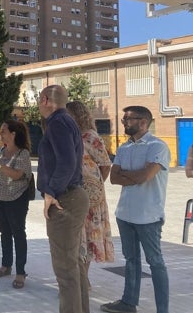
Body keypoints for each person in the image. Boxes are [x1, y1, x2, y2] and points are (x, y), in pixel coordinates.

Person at [101, 106, 170, 313]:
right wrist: (136, 176)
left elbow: (145, 177)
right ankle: (128, 303)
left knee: (155, 262)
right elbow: (113, 178)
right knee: (131, 260)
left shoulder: (157, 147)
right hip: (125, 214)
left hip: (148, 216)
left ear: (143, 122)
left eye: (128, 119)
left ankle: (163, 309)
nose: (124, 122)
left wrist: (129, 176)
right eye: (123, 119)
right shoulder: (124, 148)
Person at [36, 85, 89, 313]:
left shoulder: (57, 123)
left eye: (39, 99)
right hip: (72, 196)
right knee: (74, 265)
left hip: (64, 199)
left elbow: (66, 163)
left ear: (46, 100)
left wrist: (51, 192)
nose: (38, 104)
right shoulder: (67, 121)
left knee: (65, 271)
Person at [66, 101, 115, 288]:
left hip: (91, 198)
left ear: (78, 115)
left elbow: (105, 164)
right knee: (78, 238)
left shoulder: (90, 136)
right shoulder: (70, 136)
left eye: (69, 114)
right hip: (74, 194)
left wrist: (94, 186)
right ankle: (79, 280)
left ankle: (83, 280)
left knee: (87, 236)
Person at [0, 120, 32, 289]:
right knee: (4, 232)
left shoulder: (22, 153)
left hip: (17, 198)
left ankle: (20, 272)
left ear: (13, 134)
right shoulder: (2, 150)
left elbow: (17, 175)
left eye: (3, 131)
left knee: (18, 233)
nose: (0, 133)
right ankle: (6, 265)